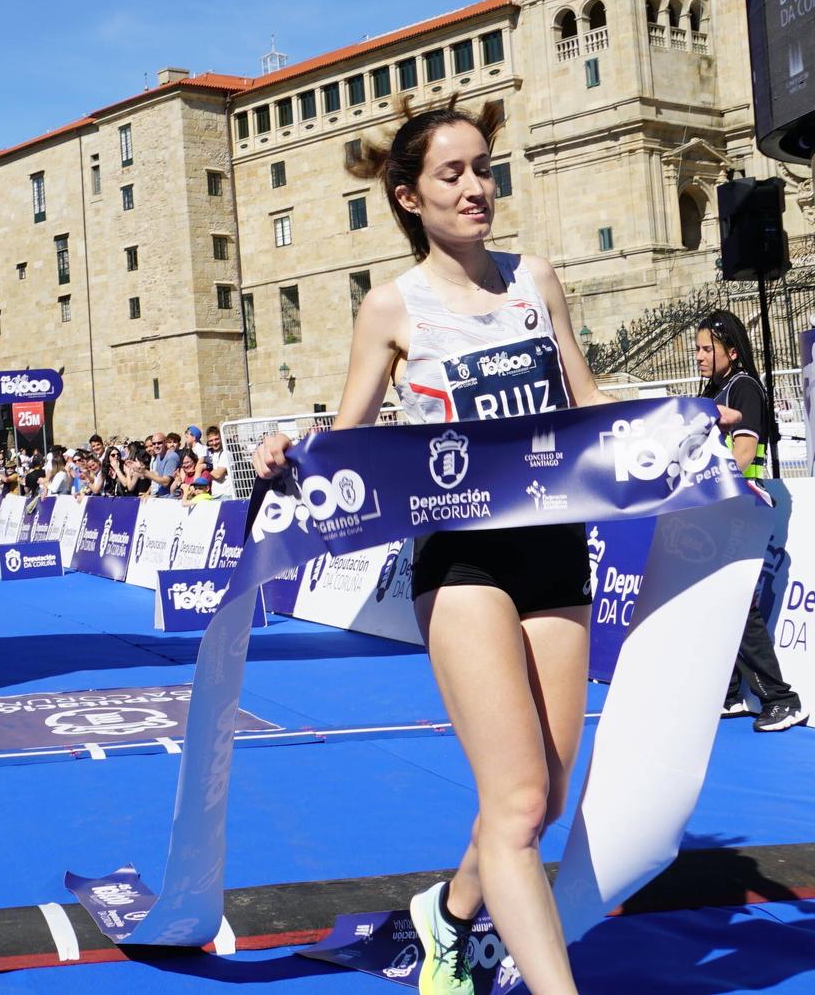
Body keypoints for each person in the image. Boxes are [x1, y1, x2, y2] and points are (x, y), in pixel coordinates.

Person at [251, 99, 607, 995]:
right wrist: (288, 455)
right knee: (519, 803)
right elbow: (349, 440)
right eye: (453, 175)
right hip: (462, 561)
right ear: (409, 197)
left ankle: (447, 918)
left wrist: (691, 428)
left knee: (544, 799)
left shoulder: (537, 279)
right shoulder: (390, 307)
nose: (476, 188)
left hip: (556, 547)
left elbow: (591, 404)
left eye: (483, 167)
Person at [696, 310, 808, 733]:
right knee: (721, 601)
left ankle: (781, 699)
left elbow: (743, 454)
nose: (700, 356)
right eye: (698, 348)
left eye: (707, 348)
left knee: (736, 602)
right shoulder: (721, 387)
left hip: (741, 505)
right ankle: (729, 693)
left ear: (732, 350)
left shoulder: (743, 388)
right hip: (725, 506)